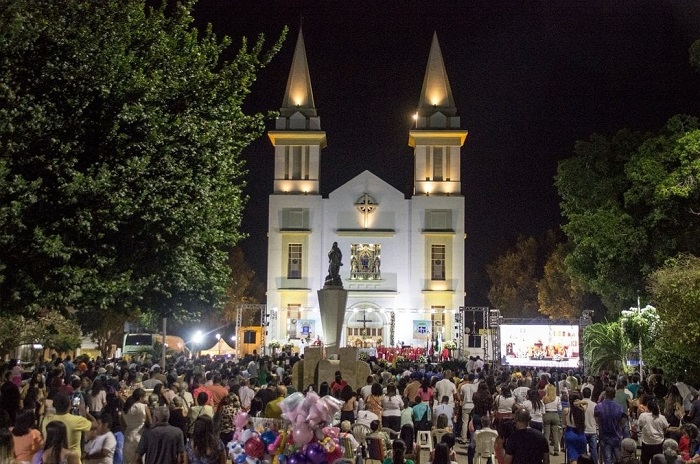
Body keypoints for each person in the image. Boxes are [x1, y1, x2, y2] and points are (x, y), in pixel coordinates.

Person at [41, 393, 96, 463]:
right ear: (69, 405)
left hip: (51, 459)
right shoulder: (76, 420)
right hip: (73, 459)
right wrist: (84, 411)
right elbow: (95, 425)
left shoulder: (46, 419)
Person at [595, 386, 627, 464]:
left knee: (607, 459)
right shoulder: (619, 407)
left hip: (604, 436)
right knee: (619, 459)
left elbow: (597, 421)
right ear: (614, 395)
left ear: (605, 394)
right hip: (616, 436)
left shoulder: (599, 406)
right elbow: (623, 422)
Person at [121, 388, 151, 464]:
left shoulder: (125, 409)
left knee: (129, 461)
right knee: (140, 460)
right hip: (140, 435)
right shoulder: (143, 407)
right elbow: (150, 422)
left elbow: (123, 425)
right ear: (141, 397)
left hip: (128, 435)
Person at [639, 400, 669, 464]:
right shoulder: (662, 417)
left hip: (646, 442)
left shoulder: (643, 416)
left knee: (644, 461)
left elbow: (640, 427)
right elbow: (665, 429)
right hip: (658, 443)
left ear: (647, 407)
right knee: (657, 461)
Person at [563, 391, 588, 464]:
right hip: (581, 434)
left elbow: (564, 424)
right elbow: (586, 403)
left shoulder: (566, 410)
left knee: (573, 458)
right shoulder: (582, 410)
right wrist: (580, 402)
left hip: (570, 433)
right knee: (581, 457)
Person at [581, 387, 599, 464]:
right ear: (590, 394)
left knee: (583, 451)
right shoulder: (595, 405)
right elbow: (597, 418)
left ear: (582, 394)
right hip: (592, 430)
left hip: (583, 431)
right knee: (594, 450)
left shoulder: (580, 404)